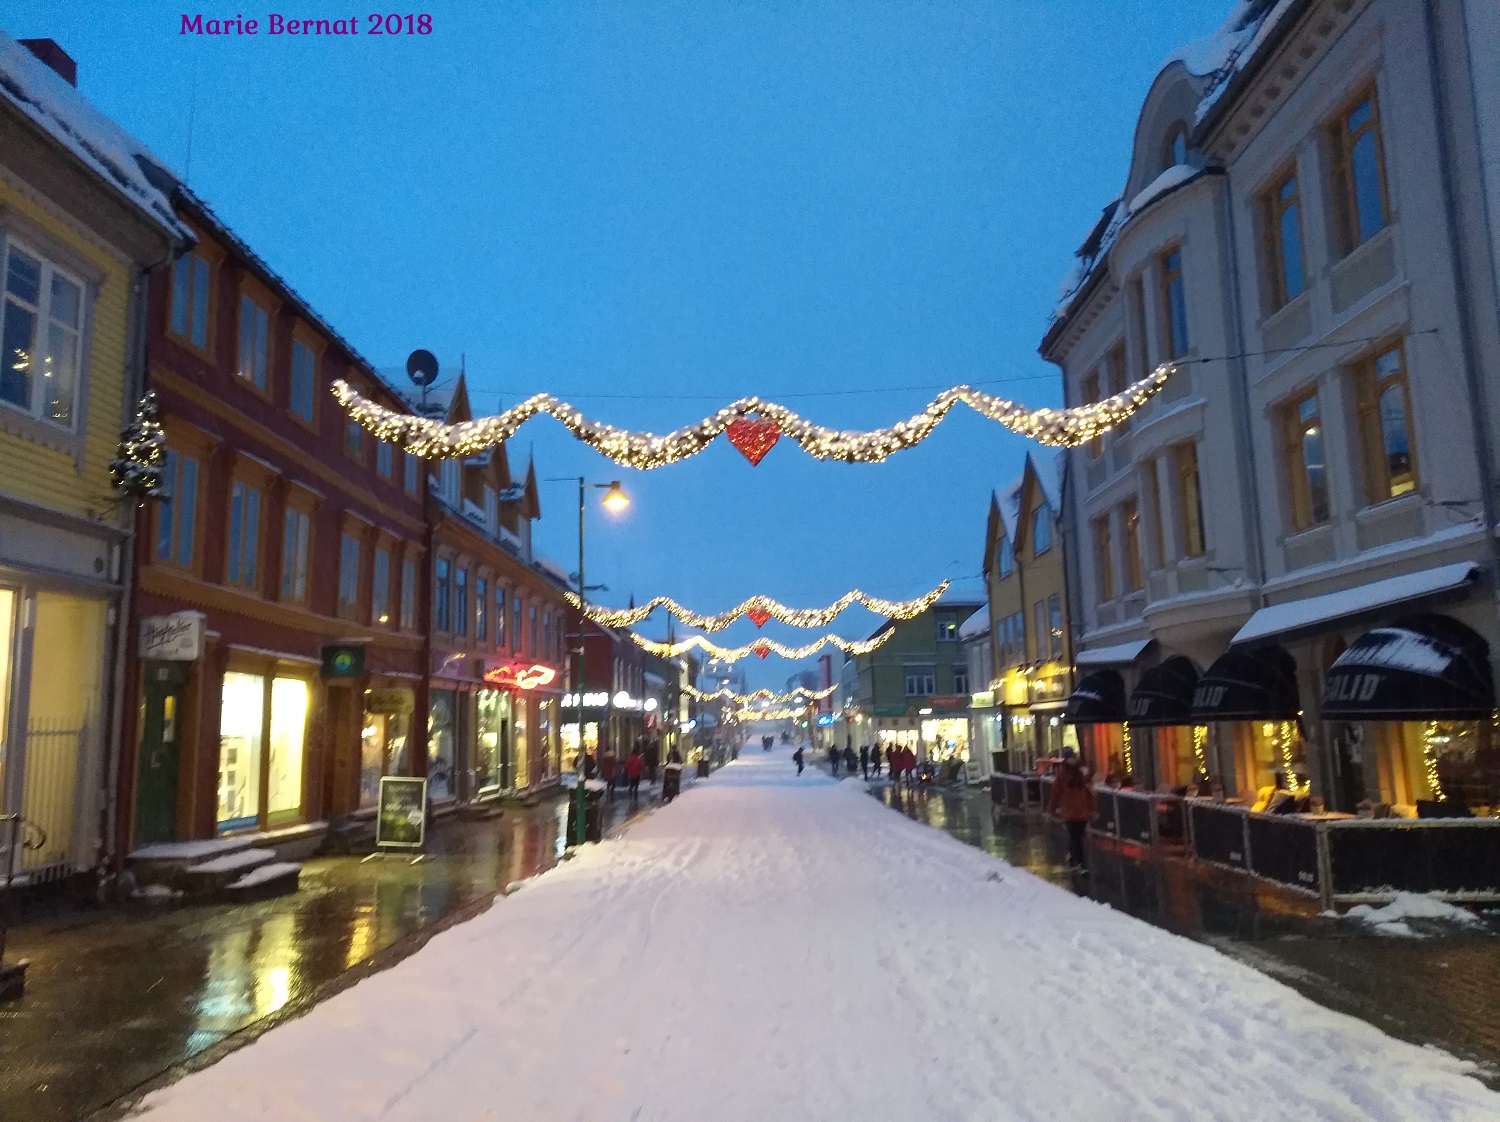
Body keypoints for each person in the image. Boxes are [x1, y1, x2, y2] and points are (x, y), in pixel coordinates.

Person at [1049, 754, 1097, 871]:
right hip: (1074, 812)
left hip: (1077, 812)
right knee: (1077, 837)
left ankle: (1075, 859)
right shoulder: (1071, 775)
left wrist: (1052, 809)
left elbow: (1088, 791)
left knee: (1076, 837)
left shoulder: (1074, 775)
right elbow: (1056, 794)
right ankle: (1079, 862)